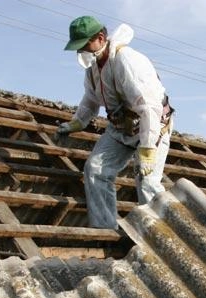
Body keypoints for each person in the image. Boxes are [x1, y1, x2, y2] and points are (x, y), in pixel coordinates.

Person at [55, 16, 174, 230]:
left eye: (84, 45)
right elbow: (90, 99)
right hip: (120, 128)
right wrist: (77, 122)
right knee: (95, 169)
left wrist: (147, 148)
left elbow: (149, 107)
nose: (81, 51)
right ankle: (105, 229)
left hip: (152, 126)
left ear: (100, 38)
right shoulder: (93, 68)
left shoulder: (126, 60)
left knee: (147, 182)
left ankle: (162, 234)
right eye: (78, 47)